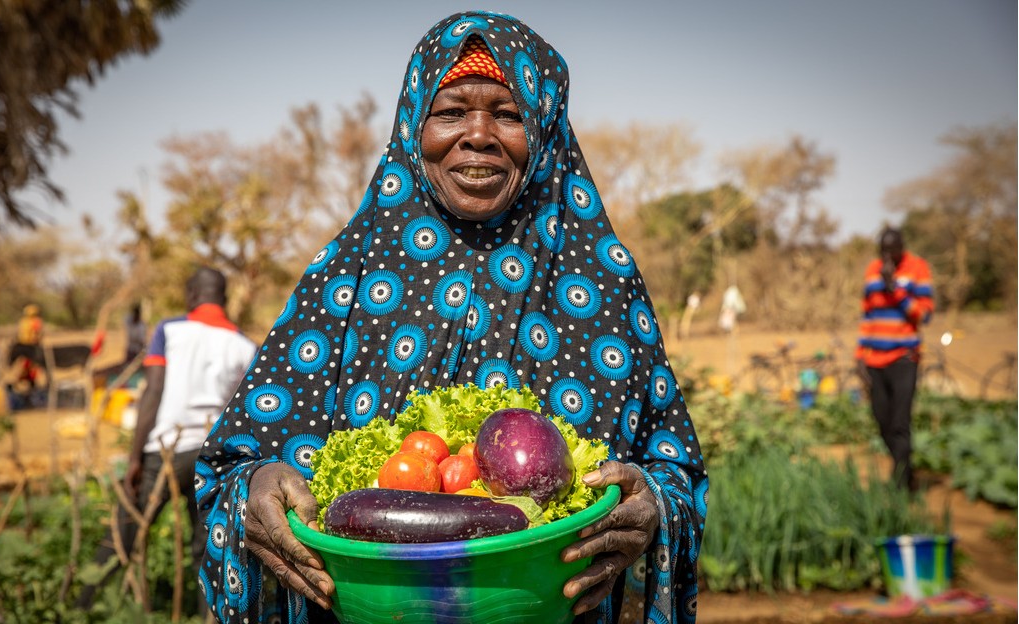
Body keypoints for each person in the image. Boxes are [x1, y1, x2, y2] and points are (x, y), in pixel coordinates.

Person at [196, 12, 707, 624]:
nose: (479, 135)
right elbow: (231, 467)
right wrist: (254, 492)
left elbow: (673, 470)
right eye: (450, 112)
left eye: (510, 114)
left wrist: (653, 509)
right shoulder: (347, 278)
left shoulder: (603, 281)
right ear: (414, 126)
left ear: (545, 129)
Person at [80, 267, 258, 616]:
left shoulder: (169, 330)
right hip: (211, 455)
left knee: (124, 534)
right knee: (205, 550)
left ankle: (79, 608)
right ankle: (207, 615)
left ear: (192, 295)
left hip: (164, 451)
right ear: (223, 298)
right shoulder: (244, 345)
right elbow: (244, 409)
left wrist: (134, 457)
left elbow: (154, 390)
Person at [855, 227, 933, 490]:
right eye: (882, 250)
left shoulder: (917, 268)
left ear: (902, 248)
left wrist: (894, 289)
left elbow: (923, 315)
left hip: (904, 358)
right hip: (875, 360)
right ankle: (907, 475)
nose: (887, 256)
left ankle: (901, 486)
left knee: (900, 423)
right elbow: (868, 316)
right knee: (882, 422)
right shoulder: (871, 270)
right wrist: (859, 356)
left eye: (892, 250)